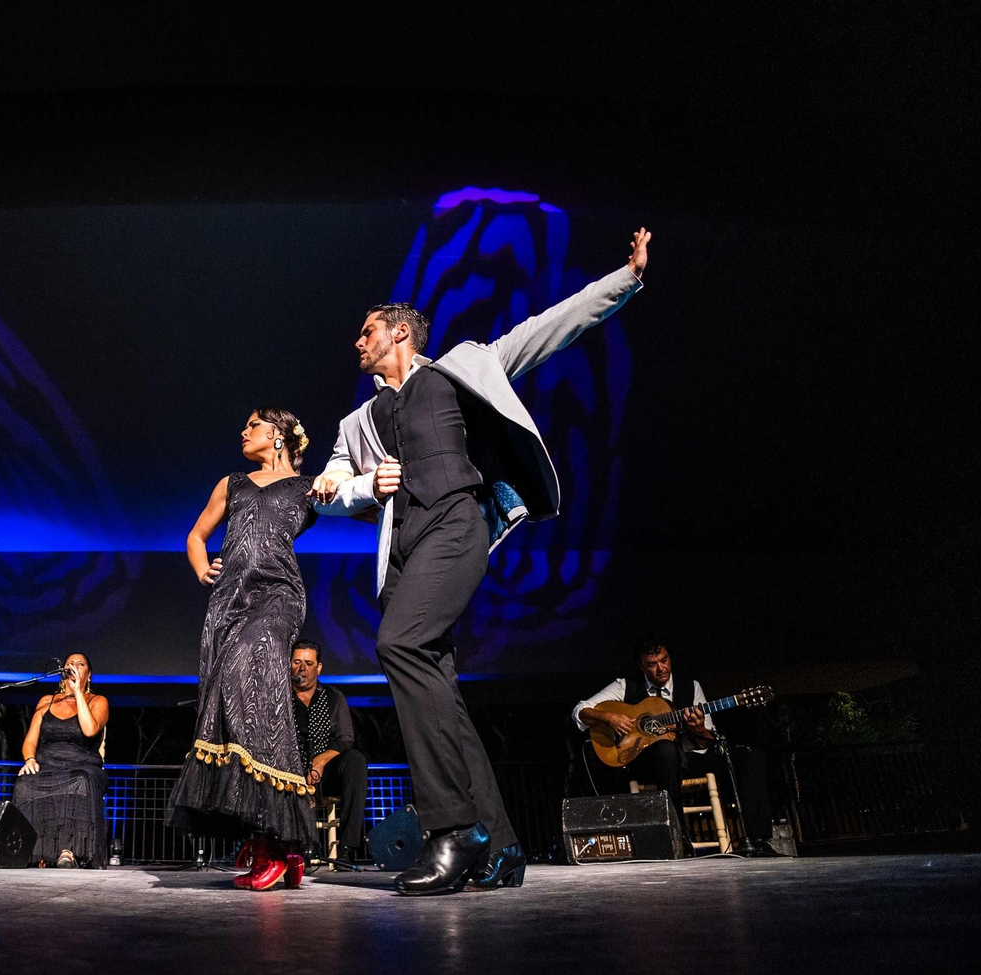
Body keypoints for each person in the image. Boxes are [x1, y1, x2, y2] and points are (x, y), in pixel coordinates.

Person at [312, 229, 652, 895]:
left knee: (398, 644)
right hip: (406, 546)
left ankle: (452, 828)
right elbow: (331, 489)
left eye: (366, 332)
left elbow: (553, 325)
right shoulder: (357, 423)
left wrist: (628, 277)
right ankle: (502, 847)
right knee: (441, 692)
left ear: (400, 334)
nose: (357, 342)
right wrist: (348, 487)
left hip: (457, 522)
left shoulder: (463, 367)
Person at [166, 407, 321, 890]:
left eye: (252, 425)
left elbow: (368, 502)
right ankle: (276, 841)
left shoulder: (309, 487)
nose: (243, 431)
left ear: (277, 435)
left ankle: (274, 840)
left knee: (244, 673)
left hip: (277, 595)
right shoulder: (231, 483)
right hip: (229, 599)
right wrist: (199, 567)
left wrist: (356, 483)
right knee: (235, 702)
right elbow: (196, 535)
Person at [574, 639, 776, 853]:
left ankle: (759, 839)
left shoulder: (691, 687)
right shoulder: (626, 686)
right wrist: (609, 717)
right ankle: (678, 837)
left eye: (664, 660)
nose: (661, 668)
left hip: (689, 757)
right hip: (648, 762)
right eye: (652, 664)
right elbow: (580, 710)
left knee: (749, 754)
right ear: (642, 666)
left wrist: (698, 729)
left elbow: (706, 740)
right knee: (665, 750)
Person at [13, 653, 110, 868]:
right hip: (48, 765)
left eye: (80, 664)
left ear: (89, 674)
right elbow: (30, 741)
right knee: (24, 783)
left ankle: (69, 852)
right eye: (69, 664)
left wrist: (77, 693)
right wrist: (29, 759)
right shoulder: (46, 702)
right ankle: (37, 852)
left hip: (82, 766)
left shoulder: (98, 701)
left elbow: (89, 729)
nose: (74, 667)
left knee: (80, 780)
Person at [289, 640, 368, 864]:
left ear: (319, 667)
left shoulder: (333, 697)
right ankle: (301, 845)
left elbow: (345, 740)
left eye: (308, 663)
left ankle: (347, 847)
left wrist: (320, 762)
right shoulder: (280, 698)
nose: (302, 668)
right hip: (289, 774)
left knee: (355, 761)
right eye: (296, 662)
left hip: (325, 773)